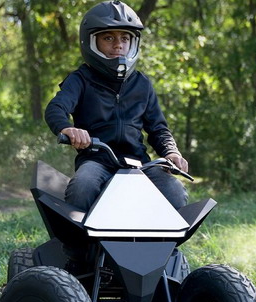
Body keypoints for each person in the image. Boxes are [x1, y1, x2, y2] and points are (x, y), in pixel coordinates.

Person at [45, 0, 189, 216]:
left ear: (133, 42)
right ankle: (79, 248)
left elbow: (158, 128)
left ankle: (158, 249)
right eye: (108, 37)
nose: (118, 44)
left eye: (125, 38)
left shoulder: (142, 84)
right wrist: (67, 128)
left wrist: (171, 152)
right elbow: (56, 107)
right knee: (82, 187)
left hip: (139, 164)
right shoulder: (80, 79)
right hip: (97, 160)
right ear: (91, 41)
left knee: (175, 192)